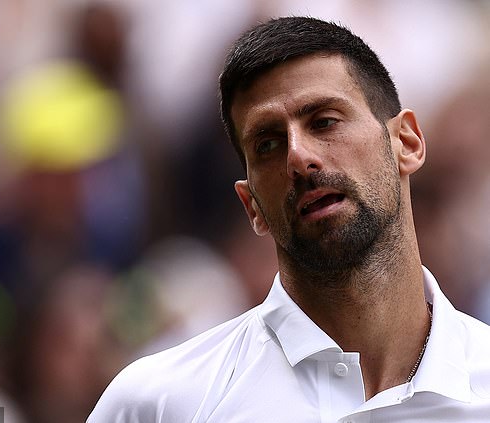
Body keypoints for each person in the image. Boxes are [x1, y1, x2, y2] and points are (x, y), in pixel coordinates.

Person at [88, 17, 490, 422]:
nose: (298, 157)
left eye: (324, 121)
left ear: (406, 142)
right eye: (267, 144)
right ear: (252, 206)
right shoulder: (159, 404)